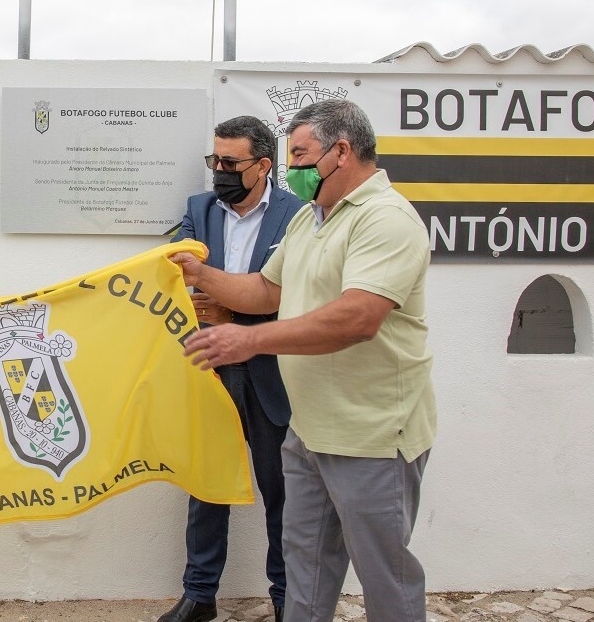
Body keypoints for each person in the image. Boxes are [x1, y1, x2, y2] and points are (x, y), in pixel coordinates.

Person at [172, 99, 436, 622]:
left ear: (341, 152)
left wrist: (250, 342)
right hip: (308, 431)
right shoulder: (312, 219)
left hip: (371, 435)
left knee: (385, 575)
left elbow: (358, 317)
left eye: (299, 155)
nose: (292, 169)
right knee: (305, 571)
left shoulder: (385, 219)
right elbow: (265, 290)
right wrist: (200, 275)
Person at [159, 116, 303, 622]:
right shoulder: (199, 210)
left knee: (282, 495)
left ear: (263, 166)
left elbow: (302, 296)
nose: (218, 171)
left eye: (229, 162)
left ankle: (288, 601)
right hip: (211, 371)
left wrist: (235, 316)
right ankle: (199, 596)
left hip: (270, 375)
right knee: (206, 486)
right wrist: (214, 308)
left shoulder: (298, 216)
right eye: (213, 160)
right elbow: (179, 283)